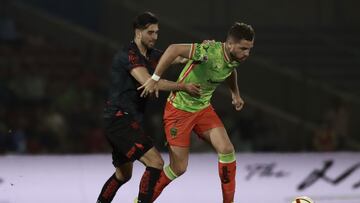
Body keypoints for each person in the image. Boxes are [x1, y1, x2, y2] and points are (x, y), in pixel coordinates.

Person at [139, 22, 255, 203]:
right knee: (178, 168)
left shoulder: (234, 57)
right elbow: (173, 49)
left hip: (202, 109)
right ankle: (141, 201)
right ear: (230, 44)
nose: (247, 53)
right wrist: (154, 78)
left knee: (227, 150)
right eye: (243, 49)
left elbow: (230, 70)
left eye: (249, 49)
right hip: (179, 111)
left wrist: (235, 94)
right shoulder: (208, 52)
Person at [96, 12, 200, 203]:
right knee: (156, 162)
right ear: (138, 32)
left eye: (157, 32)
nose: (155, 37)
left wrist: (204, 50)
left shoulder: (151, 55)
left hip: (126, 119)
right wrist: (183, 86)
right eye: (150, 33)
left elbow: (179, 58)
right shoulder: (129, 54)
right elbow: (148, 82)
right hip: (119, 119)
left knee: (123, 175)